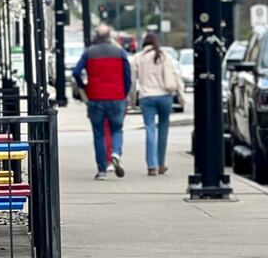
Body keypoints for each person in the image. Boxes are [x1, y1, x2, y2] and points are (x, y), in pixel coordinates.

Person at [73, 24, 131, 180]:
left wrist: (83, 86)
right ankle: (116, 152)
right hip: (116, 96)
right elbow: (127, 76)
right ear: (109, 36)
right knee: (117, 129)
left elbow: (76, 72)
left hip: (96, 97)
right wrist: (124, 92)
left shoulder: (89, 53)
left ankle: (102, 170)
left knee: (98, 134)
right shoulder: (120, 52)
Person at [130, 33, 185, 176]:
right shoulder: (164, 56)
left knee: (150, 129)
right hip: (165, 97)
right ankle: (161, 164)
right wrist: (181, 95)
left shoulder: (138, 58)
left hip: (146, 98)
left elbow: (132, 81)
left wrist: (132, 99)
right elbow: (176, 75)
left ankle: (151, 165)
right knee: (163, 129)